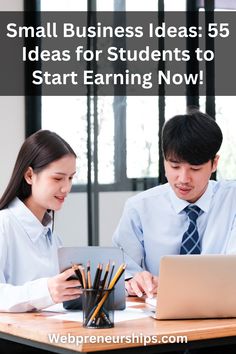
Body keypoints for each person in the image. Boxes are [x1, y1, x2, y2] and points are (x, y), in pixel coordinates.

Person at [113, 110, 236, 299]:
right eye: (175, 166)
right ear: (164, 161)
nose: (183, 179)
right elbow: (122, 270)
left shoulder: (232, 200)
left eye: (195, 168)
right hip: (158, 312)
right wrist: (133, 281)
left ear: (214, 163)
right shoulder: (139, 208)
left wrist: (182, 284)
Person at [0, 130, 81, 312]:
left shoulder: (51, 236)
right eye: (58, 178)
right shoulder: (4, 225)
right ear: (29, 176)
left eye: (70, 178)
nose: (66, 188)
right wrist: (46, 291)